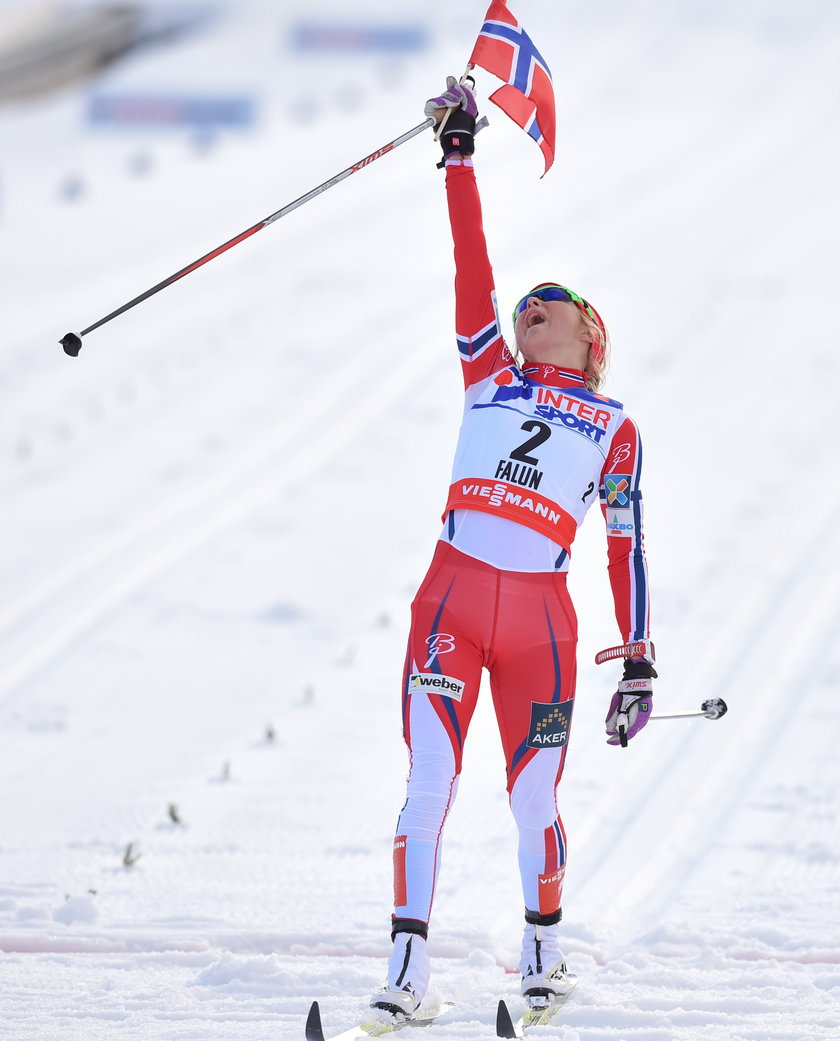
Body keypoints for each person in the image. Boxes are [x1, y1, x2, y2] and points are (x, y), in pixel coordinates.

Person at [369, 77, 656, 1020]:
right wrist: (457, 154)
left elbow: (625, 544)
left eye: (555, 299)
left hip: (541, 617)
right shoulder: (489, 371)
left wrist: (640, 658)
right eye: (528, 299)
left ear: (591, 337)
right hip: (452, 599)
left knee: (534, 794)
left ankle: (542, 954)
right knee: (428, 783)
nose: (533, 302)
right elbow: (470, 265)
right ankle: (406, 978)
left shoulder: (614, 423)